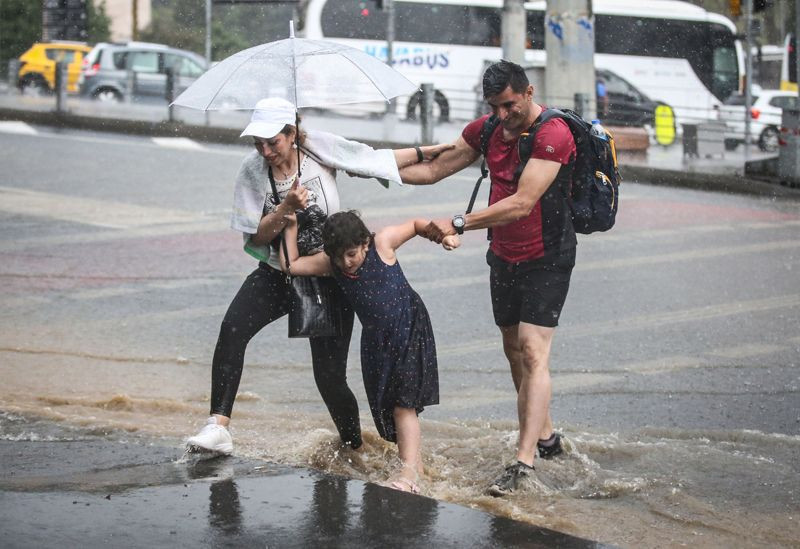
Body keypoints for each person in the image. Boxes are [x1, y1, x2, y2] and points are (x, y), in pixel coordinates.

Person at [186, 97, 450, 456]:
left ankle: (353, 447)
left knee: (328, 377)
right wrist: (285, 209)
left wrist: (423, 151)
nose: (265, 151)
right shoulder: (252, 171)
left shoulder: (318, 149)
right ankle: (218, 426)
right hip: (279, 271)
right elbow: (257, 236)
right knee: (233, 328)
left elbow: (369, 158)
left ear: (291, 132)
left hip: (328, 276)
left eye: (273, 142)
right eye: (258, 144)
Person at [396, 60, 577, 496]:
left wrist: (458, 222)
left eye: (509, 105)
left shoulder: (553, 134)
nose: (501, 115)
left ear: (529, 92)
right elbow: (435, 168)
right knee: (514, 351)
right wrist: (359, 164)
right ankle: (547, 438)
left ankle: (524, 462)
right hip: (504, 255)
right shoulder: (489, 129)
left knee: (534, 352)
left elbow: (521, 202)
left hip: (546, 255)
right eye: (494, 106)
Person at [281, 209, 459, 493]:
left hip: (407, 326)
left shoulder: (382, 243)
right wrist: (290, 227)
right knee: (390, 407)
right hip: (377, 341)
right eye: (338, 256)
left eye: (351, 254)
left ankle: (409, 476)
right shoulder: (333, 264)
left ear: (364, 242)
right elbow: (292, 265)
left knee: (404, 405)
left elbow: (414, 224)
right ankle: (417, 467)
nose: (345, 262)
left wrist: (443, 236)